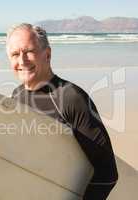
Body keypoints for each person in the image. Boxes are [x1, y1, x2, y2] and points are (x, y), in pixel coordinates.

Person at [6, 23, 118, 200]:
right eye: (14, 54)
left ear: (47, 54)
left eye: (29, 51)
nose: (22, 60)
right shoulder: (16, 96)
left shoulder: (71, 98)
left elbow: (107, 172)